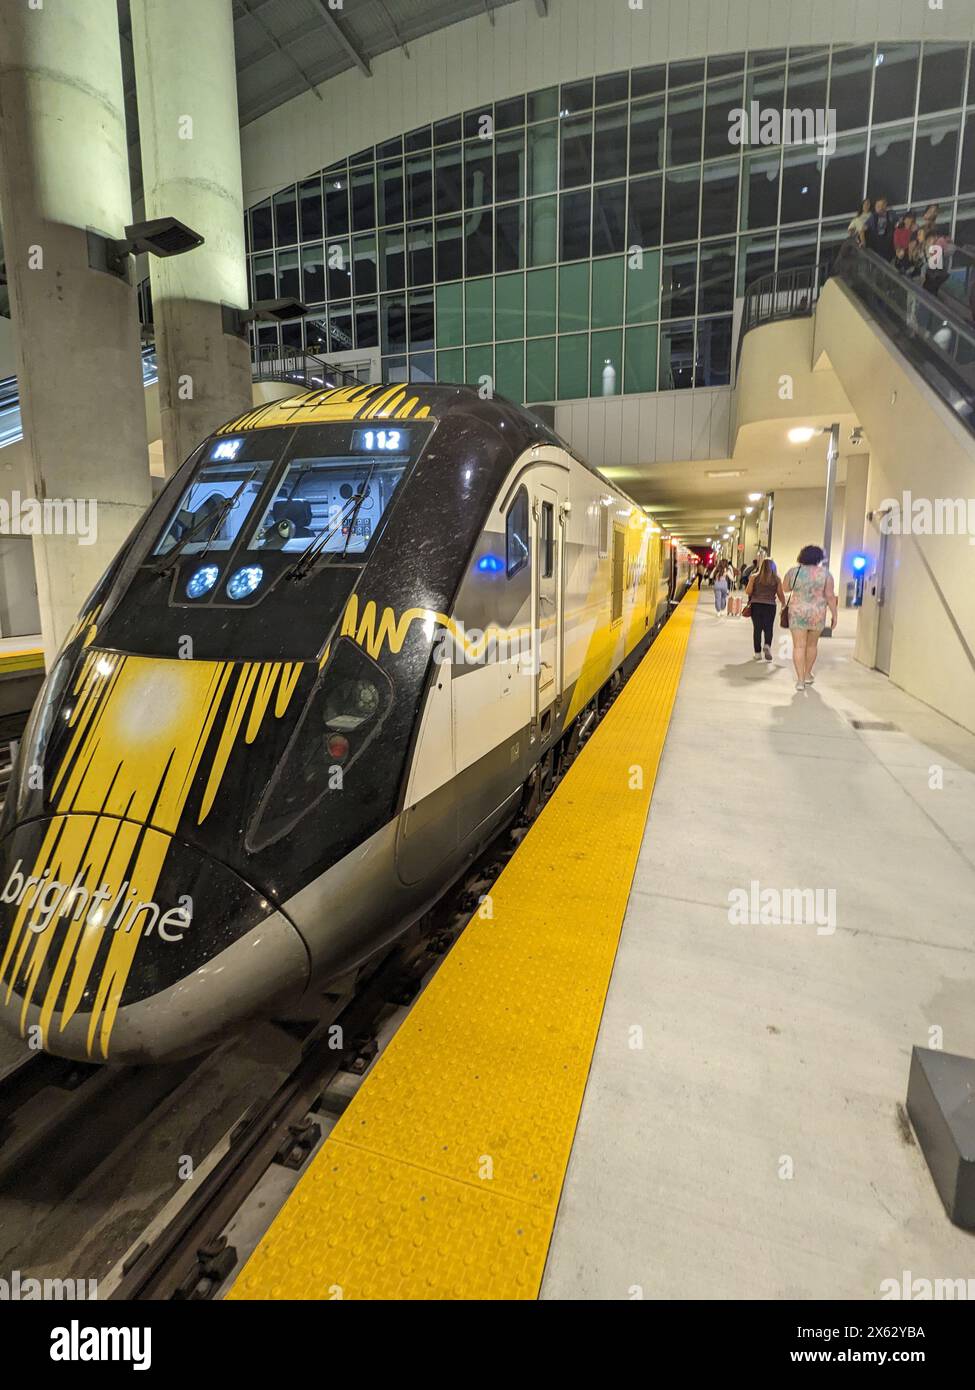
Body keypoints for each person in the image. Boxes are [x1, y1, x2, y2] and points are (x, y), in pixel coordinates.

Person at [782, 545, 838, 692]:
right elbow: (830, 596)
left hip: (797, 612)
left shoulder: (793, 572)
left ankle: (800, 680)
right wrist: (835, 614)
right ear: (819, 558)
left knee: (799, 646)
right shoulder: (826, 574)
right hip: (817, 613)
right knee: (812, 646)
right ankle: (807, 674)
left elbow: (785, 588)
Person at [745, 558, 785, 663]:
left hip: (756, 605)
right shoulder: (776, 579)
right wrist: (784, 604)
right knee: (768, 628)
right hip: (770, 606)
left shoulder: (754, 577)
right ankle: (767, 645)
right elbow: (780, 594)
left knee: (757, 629)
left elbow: (748, 591)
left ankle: (757, 654)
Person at [864, 196, 896, 261]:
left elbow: (898, 224)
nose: (880, 208)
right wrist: (862, 240)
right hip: (876, 250)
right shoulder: (873, 217)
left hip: (888, 250)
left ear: (885, 206)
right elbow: (863, 229)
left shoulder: (891, 214)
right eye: (878, 206)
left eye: (882, 205)